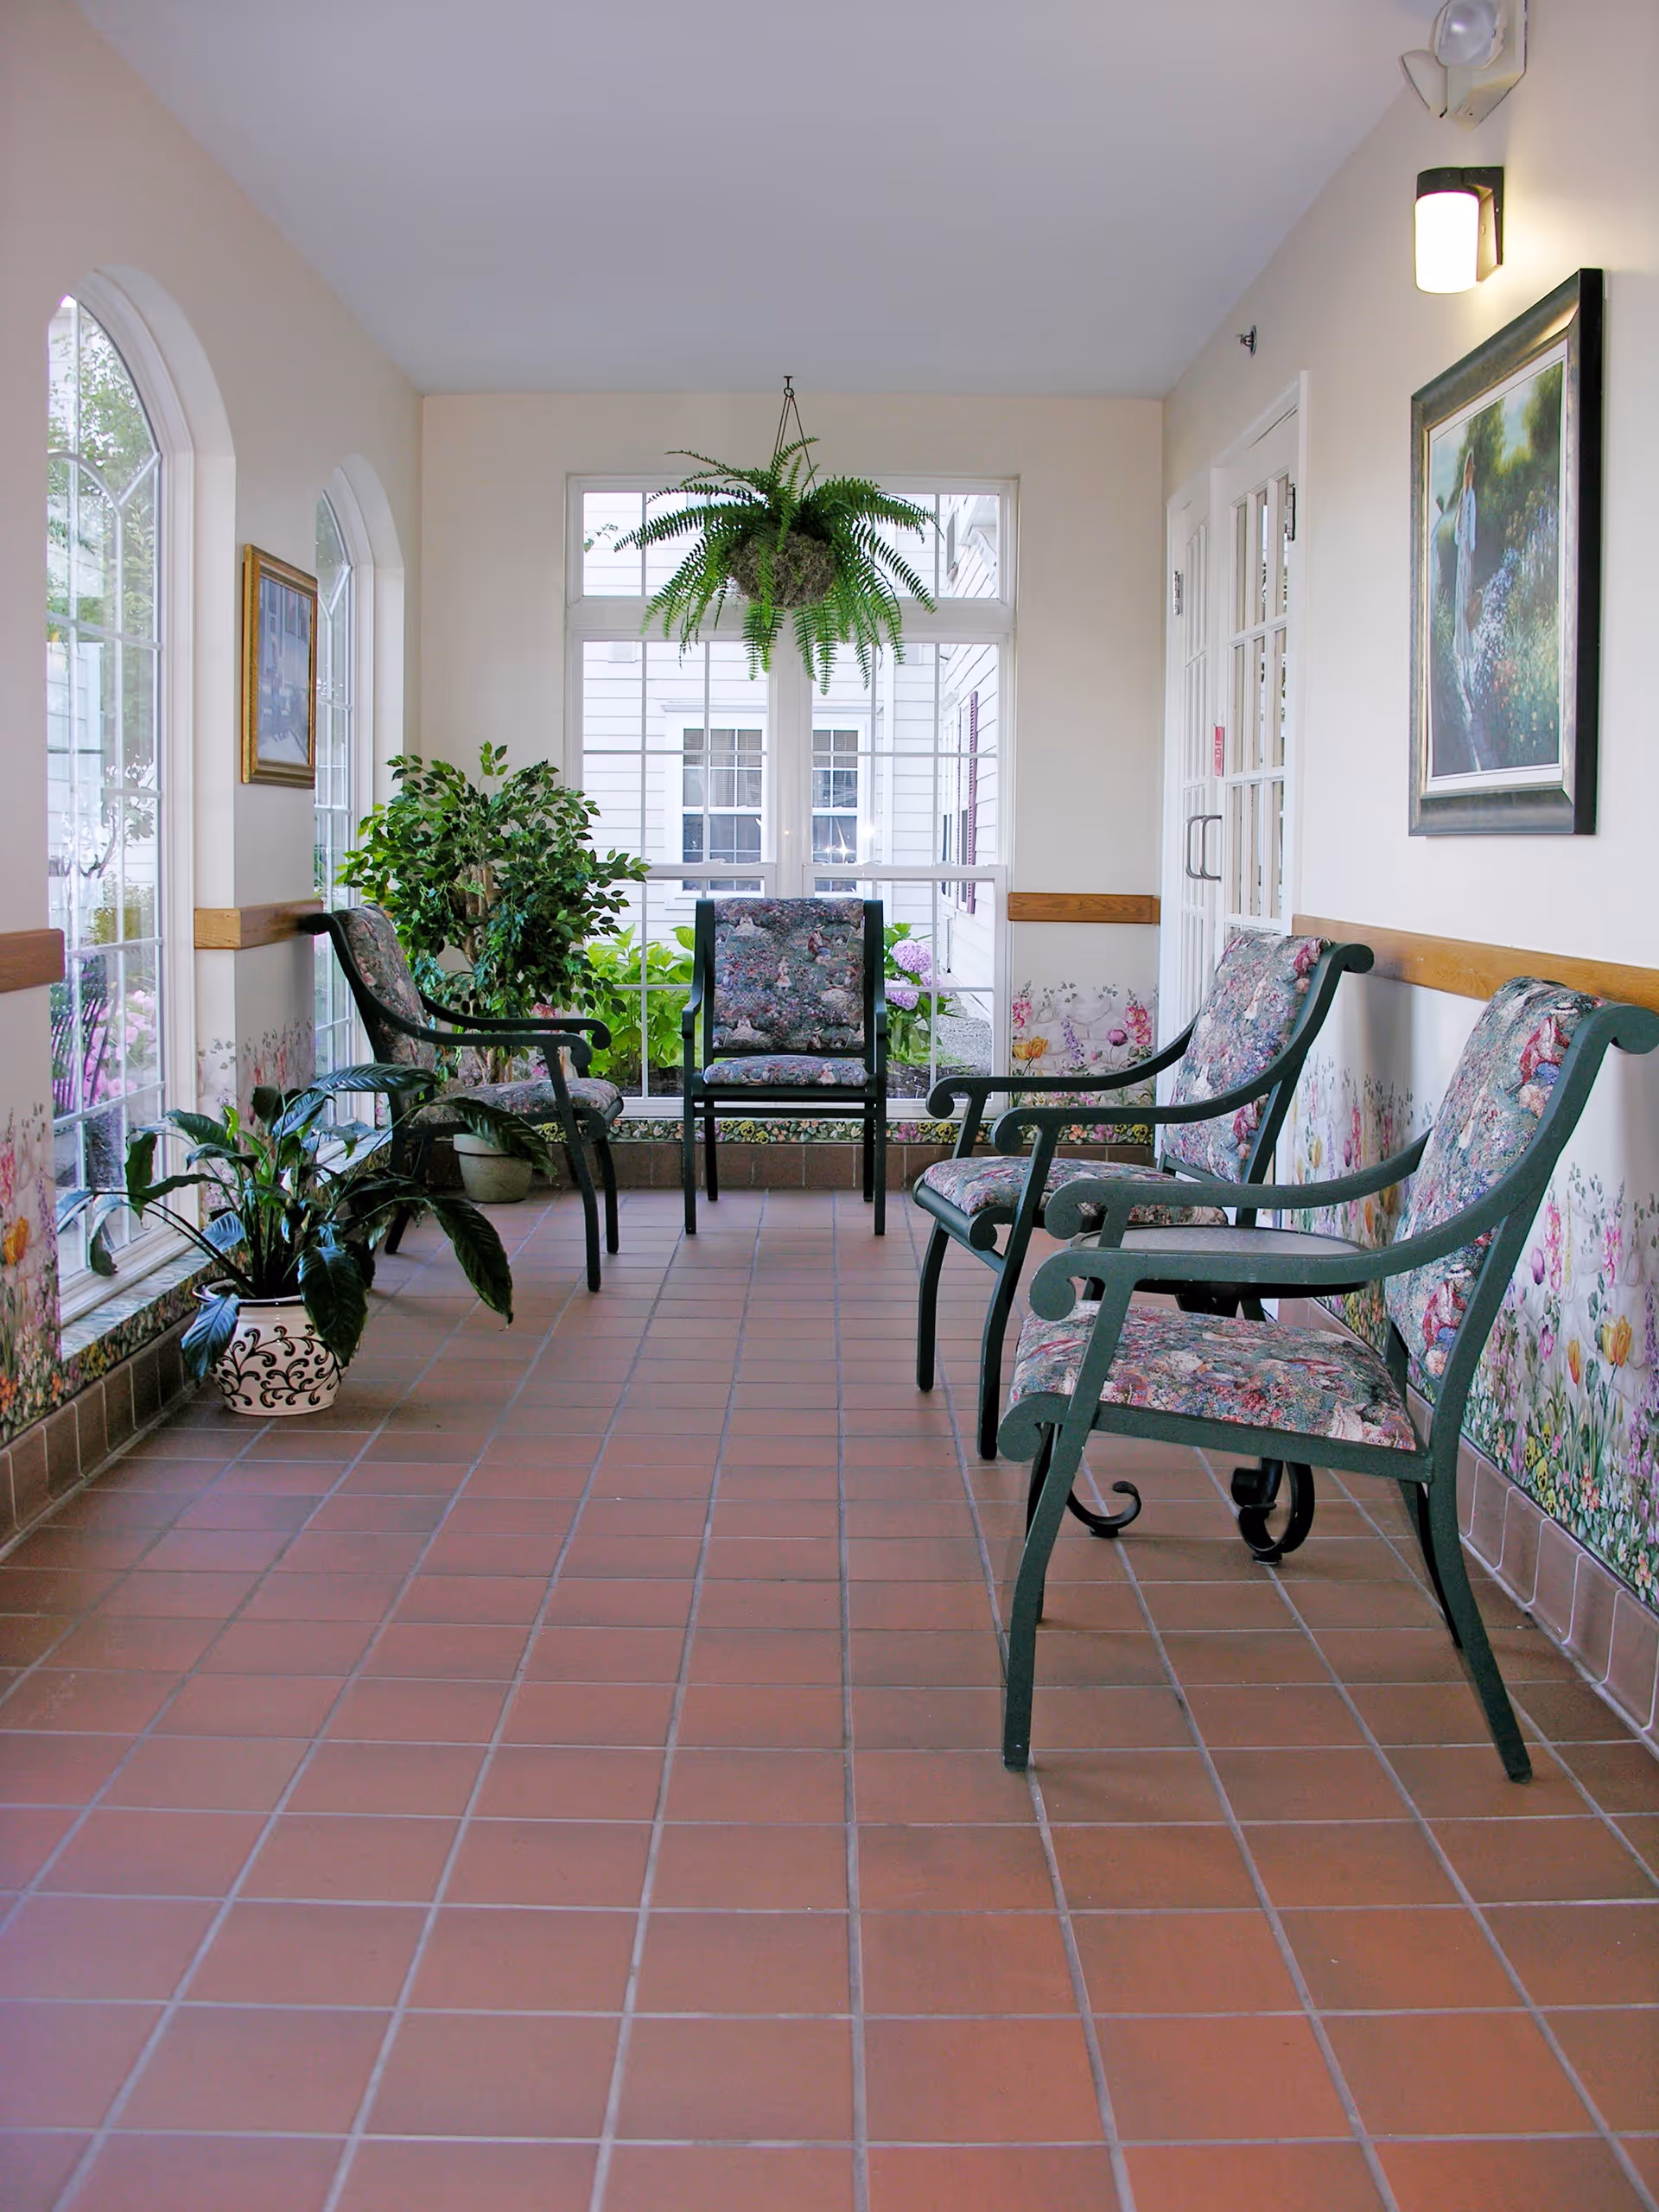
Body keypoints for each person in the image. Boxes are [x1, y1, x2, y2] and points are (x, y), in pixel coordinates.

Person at [1452, 451, 1478, 701]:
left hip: (1466, 559)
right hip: (1462, 557)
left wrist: (1468, 550)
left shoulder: (1472, 497)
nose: (1468, 475)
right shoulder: (1463, 497)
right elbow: (1457, 533)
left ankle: (1468, 669)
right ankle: (1461, 664)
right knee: (1460, 606)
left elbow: (1470, 537)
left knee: (1465, 609)